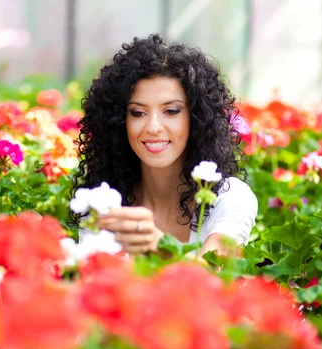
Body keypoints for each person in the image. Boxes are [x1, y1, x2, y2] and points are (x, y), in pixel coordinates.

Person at [71, 33, 258, 256]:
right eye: (138, 113)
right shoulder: (103, 204)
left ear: (197, 118)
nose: (153, 127)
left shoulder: (230, 198)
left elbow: (212, 275)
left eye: (171, 111)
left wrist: (161, 248)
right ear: (120, 122)